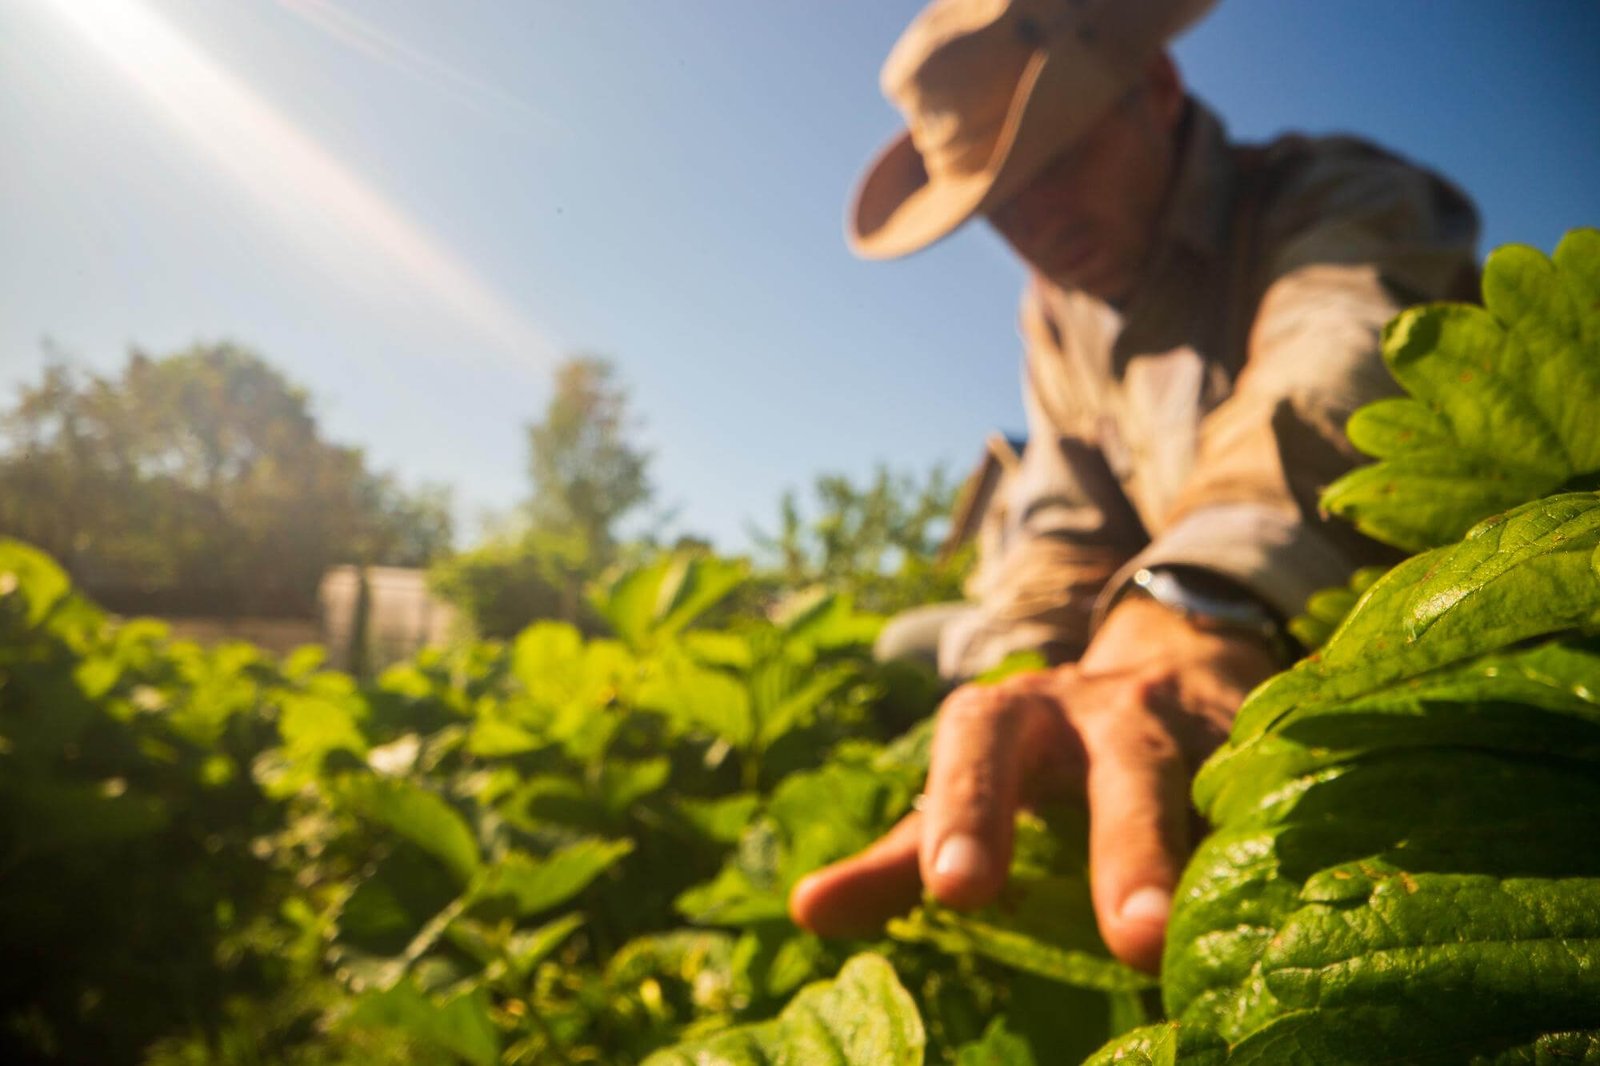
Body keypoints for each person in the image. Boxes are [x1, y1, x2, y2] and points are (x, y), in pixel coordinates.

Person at [787, 0, 1479, 973]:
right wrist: (1026, 690)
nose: (1035, 224)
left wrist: (1193, 601)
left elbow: (1341, 360)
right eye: (999, 203)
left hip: (1370, 614)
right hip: (1182, 643)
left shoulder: (1331, 197)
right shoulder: (1060, 317)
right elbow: (1061, 522)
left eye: (1057, 161)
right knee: (915, 642)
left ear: (1154, 91)